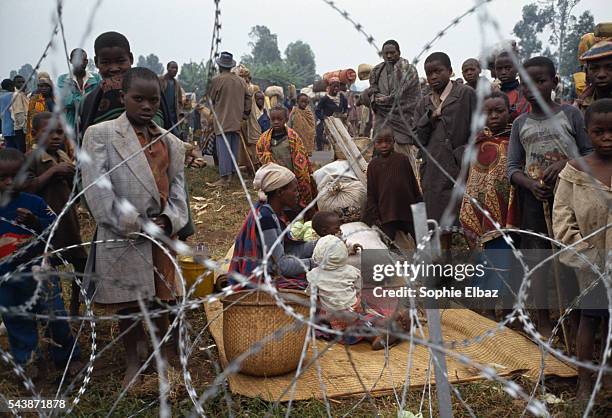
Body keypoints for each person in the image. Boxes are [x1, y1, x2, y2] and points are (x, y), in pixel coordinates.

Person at [81, 67, 189, 387]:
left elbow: (180, 193)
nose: (146, 106)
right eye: (138, 99)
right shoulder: (100, 135)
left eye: (153, 100)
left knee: (160, 301)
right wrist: (135, 222)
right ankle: (133, 358)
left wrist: (169, 220)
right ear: (123, 97)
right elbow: (98, 190)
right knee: (128, 305)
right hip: (122, 235)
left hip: (161, 236)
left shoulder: (171, 143)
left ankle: (160, 358)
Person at [507, 56, 593, 337]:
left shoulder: (571, 115)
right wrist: (529, 185)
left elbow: (589, 152)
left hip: (570, 199)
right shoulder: (521, 124)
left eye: (540, 82)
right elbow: (512, 168)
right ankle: (542, 320)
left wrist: (567, 164)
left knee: (570, 256)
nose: (533, 89)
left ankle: (574, 318)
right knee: (538, 258)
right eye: (526, 84)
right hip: (535, 199)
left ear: (554, 82)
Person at [0, 148, 82, 379]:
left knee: (54, 314)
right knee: (16, 320)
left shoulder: (34, 203)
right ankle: (29, 361)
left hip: (38, 273)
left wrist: (36, 222)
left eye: (14, 176)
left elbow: (53, 227)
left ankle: (68, 357)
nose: (8, 182)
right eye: (2, 178)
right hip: (6, 279)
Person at [553, 98, 612, 399]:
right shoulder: (575, 172)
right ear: (587, 132)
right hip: (591, 261)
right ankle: (584, 379)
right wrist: (586, 254)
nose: (607, 137)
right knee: (590, 317)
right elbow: (562, 219)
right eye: (599, 131)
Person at [459, 92, 519, 316]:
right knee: (486, 260)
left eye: (499, 111)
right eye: (487, 112)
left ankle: (508, 311)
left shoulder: (515, 138)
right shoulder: (476, 143)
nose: (493, 116)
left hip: (510, 212)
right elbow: (471, 179)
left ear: (509, 111)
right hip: (481, 212)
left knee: (508, 260)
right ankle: (486, 311)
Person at [25, 112, 87, 317]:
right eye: (49, 132)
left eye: (60, 132)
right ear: (34, 134)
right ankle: (52, 310)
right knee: (48, 268)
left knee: (80, 263)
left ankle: (75, 308)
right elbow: (29, 188)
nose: (56, 137)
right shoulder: (31, 159)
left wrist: (73, 175)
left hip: (67, 222)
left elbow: (73, 190)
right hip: (44, 227)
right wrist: (53, 172)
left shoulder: (62, 156)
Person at [413, 52, 476, 232]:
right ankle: (442, 256)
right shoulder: (424, 103)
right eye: (429, 73)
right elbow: (417, 138)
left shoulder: (465, 94)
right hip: (434, 168)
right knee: (437, 219)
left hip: (462, 166)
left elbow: (478, 126)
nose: (433, 77)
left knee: (466, 217)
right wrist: (430, 117)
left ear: (449, 71)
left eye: (438, 71)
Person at [229, 163, 316, 289]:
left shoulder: (273, 214)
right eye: (294, 190)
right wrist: (314, 263)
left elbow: (288, 251)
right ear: (280, 192)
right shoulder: (266, 219)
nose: (298, 194)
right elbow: (281, 266)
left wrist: (320, 245)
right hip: (260, 280)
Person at [79, 31, 171, 139]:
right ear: (96, 62)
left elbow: (167, 133)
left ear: (131, 59)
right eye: (106, 62)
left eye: (120, 61)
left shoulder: (151, 91)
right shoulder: (88, 102)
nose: (114, 68)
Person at [368, 40, 422, 171]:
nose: (389, 56)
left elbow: (400, 98)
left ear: (399, 53)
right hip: (383, 123)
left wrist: (379, 99)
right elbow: (371, 93)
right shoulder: (377, 71)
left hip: (403, 121)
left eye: (392, 53)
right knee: (381, 161)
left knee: (404, 163)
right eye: (386, 53)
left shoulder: (408, 71)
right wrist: (373, 98)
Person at [364, 127, 422, 242]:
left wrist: (419, 203)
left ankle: (424, 259)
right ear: (374, 144)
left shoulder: (402, 160)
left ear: (393, 142)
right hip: (386, 213)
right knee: (388, 243)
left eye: (388, 141)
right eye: (379, 142)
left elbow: (413, 184)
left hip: (407, 211)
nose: (384, 145)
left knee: (420, 240)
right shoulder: (373, 165)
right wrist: (375, 215)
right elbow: (371, 192)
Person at [256, 105, 316, 209]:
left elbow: (301, 158)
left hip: (292, 178)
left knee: (293, 204)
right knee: (277, 202)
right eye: (273, 119)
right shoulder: (264, 139)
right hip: (274, 179)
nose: (276, 122)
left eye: (279, 119)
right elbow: (260, 152)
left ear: (286, 119)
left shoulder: (293, 138)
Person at [208, 51, 252, 186]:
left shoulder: (216, 80)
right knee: (233, 148)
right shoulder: (240, 81)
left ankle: (224, 178)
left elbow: (210, 99)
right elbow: (249, 97)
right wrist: (244, 114)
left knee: (223, 149)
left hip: (222, 120)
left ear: (220, 66)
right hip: (237, 120)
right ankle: (232, 175)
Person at [56, 48, 101, 133]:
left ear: (87, 62)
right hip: (71, 124)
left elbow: (99, 99)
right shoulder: (63, 79)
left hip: (92, 122)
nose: (80, 63)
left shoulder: (96, 78)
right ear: (71, 61)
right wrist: (89, 99)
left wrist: (76, 98)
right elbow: (67, 101)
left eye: (84, 60)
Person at [576, 40, 612, 113]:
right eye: (594, 68)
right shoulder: (580, 107)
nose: (601, 74)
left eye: (609, 67)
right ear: (586, 72)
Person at [495, 51, 530, 121]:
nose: (503, 72)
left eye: (508, 68)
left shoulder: (523, 92)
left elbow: (521, 113)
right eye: (499, 69)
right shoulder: (493, 92)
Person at [315, 77, 348, 151]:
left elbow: (346, 108)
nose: (336, 88)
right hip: (327, 122)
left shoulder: (342, 97)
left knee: (348, 136)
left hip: (340, 122)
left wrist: (345, 113)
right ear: (330, 87)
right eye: (334, 86)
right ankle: (321, 156)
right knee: (319, 135)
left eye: (338, 86)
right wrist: (323, 118)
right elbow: (317, 111)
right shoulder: (325, 99)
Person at [25, 72, 55, 152]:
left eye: (46, 86)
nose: (43, 88)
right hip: (40, 133)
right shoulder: (34, 100)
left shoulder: (55, 99)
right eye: (41, 86)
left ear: (51, 86)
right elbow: (31, 120)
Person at [159, 61, 185, 134]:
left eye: (176, 68)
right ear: (167, 68)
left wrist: (180, 112)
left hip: (173, 116)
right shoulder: (161, 80)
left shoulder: (176, 84)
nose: (175, 70)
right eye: (173, 68)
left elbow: (179, 101)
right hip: (163, 113)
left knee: (175, 134)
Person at [1, 79, 21, 151]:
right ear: (10, 86)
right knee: (18, 150)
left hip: (5, 129)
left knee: (9, 150)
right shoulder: (15, 96)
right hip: (16, 128)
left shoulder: (1, 97)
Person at [10, 75, 29, 150]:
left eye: (23, 82)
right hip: (22, 130)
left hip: (23, 128)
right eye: (19, 82)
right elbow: (19, 114)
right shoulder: (17, 95)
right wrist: (26, 130)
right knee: (23, 152)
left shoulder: (22, 94)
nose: (22, 84)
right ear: (14, 85)